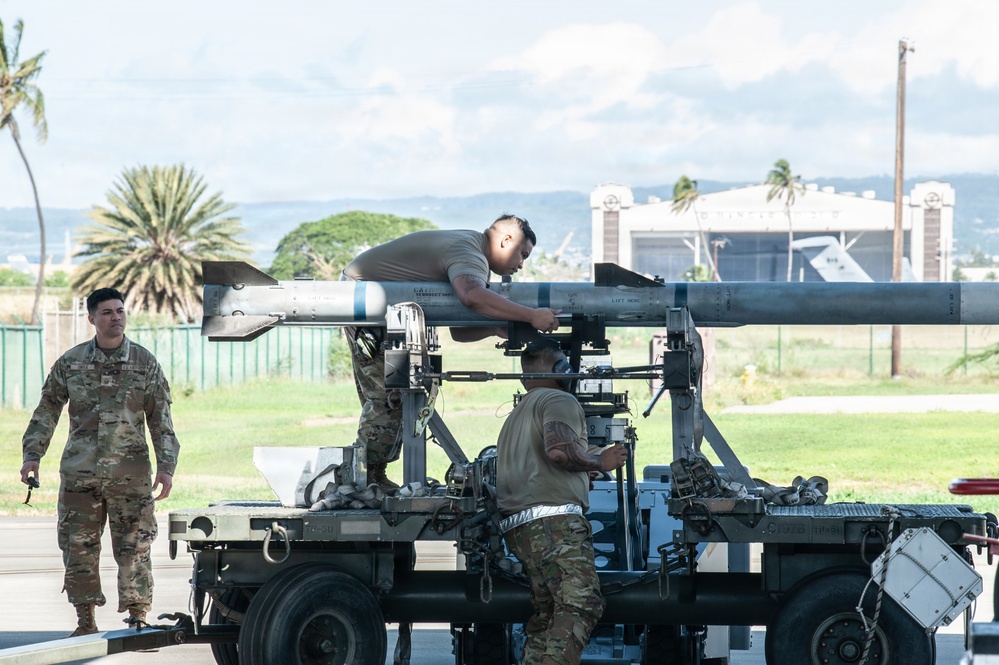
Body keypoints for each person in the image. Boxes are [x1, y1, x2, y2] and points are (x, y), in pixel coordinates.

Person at [342, 214, 560, 490]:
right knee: (389, 396)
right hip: (366, 303)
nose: (521, 264)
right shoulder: (470, 252)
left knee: (400, 394)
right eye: (523, 254)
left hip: (377, 305)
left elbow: (460, 330)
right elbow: (471, 295)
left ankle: (370, 476)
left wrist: (497, 328)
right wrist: (532, 315)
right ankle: (364, 480)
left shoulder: (470, 249)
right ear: (507, 240)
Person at [19, 287, 180, 637]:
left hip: (131, 475)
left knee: (135, 546)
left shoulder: (144, 362)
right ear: (92, 319)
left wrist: (167, 465)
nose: (116, 317)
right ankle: (85, 621)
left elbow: (161, 418)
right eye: (106, 312)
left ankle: (138, 618)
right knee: (79, 548)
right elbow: (47, 411)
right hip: (81, 475)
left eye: (120, 310)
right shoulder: (71, 362)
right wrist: (32, 455)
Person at [495, 339, 628, 665]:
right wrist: (600, 462)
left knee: (549, 612)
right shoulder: (558, 399)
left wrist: (581, 469)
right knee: (581, 604)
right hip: (554, 525)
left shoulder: (518, 414)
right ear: (559, 370)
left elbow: (545, 463)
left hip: (522, 529)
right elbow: (558, 451)